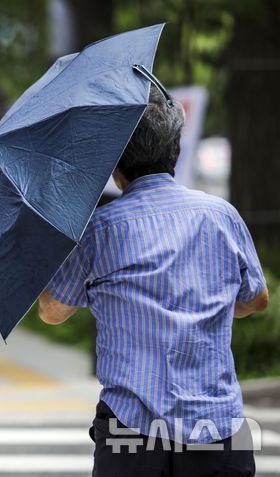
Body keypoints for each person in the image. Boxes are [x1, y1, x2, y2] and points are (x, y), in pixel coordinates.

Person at [38, 86, 269, 476]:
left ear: (115, 166)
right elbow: (256, 299)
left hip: (132, 430)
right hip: (217, 427)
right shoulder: (221, 216)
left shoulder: (98, 230)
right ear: (176, 152)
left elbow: (51, 312)